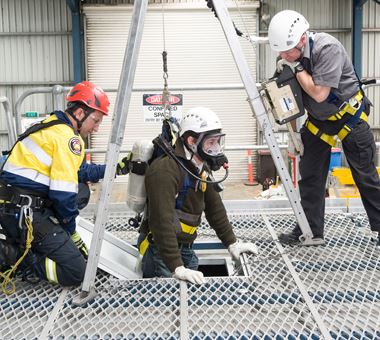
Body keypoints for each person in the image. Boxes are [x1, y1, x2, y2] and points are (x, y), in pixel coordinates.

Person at [268, 10, 380, 247]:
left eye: (287, 50)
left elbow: (319, 94)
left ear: (301, 39)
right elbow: (287, 100)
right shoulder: (288, 56)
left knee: (366, 177)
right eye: (280, 51)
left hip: (349, 117)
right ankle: (310, 231)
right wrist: (293, 134)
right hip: (318, 123)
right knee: (310, 178)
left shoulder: (327, 48)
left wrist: (297, 68)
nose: (282, 55)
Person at [0, 81, 112, 286]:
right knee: (77, 272)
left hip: (14, 206)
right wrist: (71, 232)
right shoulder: (68, 139)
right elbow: (62, 193)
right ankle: (12, 256)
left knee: (82, 191)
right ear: (80, 113)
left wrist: (116, 168)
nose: (96, 128)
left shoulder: (54, 125)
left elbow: (78, 172)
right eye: (95, 121)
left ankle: (32, 244)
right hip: (25, 212)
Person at [137, 107, 258, 284]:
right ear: (192, 140)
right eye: (210, 142)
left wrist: (232, 243)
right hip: (161, 253)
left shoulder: (198, 165)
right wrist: (176, 267)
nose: (216, 148)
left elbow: (214, 207)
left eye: (217, 141)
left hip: (184, 248)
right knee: (167, 304)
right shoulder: (165, 170)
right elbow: (161, 222)